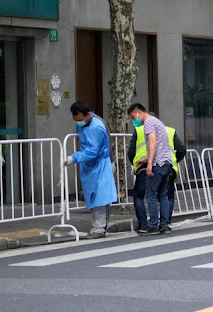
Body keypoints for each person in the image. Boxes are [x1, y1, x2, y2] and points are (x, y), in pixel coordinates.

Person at [63, 102, 117, 239]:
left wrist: (74, 158)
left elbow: (93, 151)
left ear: (87, 115)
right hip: (91, 164)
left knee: (100, 197)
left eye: (80, 119)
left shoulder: (97, 127)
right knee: (93, 197)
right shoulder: (85, 123)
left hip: (102, 163)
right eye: (76, 120)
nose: (78, 123)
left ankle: (99, 228)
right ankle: (96, 227)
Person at [127, 115, 185, 235]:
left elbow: (131, 152)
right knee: (166, 195)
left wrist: (136, 164)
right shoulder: (169, 130)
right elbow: (182, 149)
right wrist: (175, 160)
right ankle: (165, 224)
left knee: (143, 195)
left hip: (148, 167)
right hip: (167, 167)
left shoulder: (140, 130)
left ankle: (146, 224)